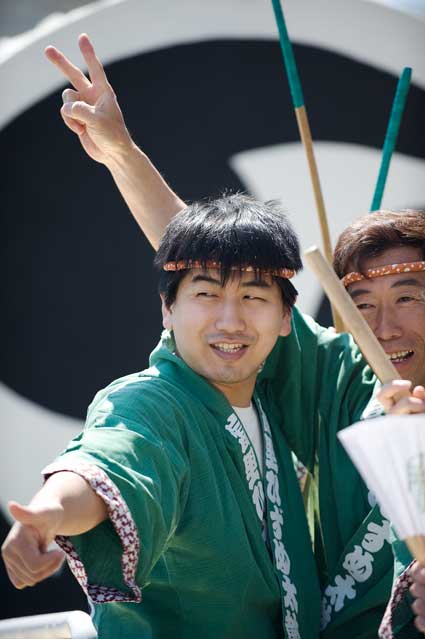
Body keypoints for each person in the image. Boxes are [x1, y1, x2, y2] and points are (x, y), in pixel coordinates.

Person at [5, 34, 421, 637]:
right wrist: (121, 152)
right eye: (360, 305)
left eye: (408, 299)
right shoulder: (344, 377)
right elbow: (120, 454)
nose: (381, 327)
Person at [2, 194, 323, 638]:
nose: (230, 320)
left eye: (252, 296)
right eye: (207, 293)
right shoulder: (151, 402)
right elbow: (112, 460)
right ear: (167, 309)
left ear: (287, 317)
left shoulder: (275, 405)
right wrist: (48, 514)